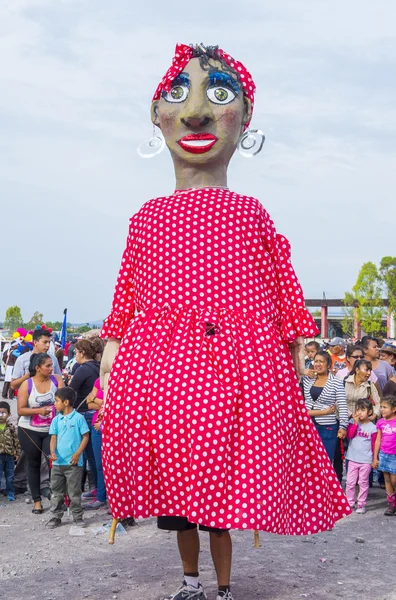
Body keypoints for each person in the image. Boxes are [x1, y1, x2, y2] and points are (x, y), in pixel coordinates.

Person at [99, 43, 351, 600]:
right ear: (156, 116)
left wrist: (291, 362)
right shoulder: (146, 219)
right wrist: (112, 361)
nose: (194, 114)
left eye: (218, 96)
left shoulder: (252, 214)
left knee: (221, 502)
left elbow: (284, 294)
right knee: (181, 501)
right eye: (177, 95)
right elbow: (126, 295)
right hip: (162, 372)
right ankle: (192, 583)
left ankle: (224, 585)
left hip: (237, 372)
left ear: (245, 120)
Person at [17, 353, 64, 514]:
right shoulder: (27, 384)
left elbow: (65, 403)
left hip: (52, 430)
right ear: (37, 368)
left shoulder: (57, 380)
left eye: (52, 365)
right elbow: (20, 409)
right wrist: (38, 410)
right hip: (29, 430)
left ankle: (57, 498)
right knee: (33, 464)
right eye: (48, 366)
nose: (51, 369)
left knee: (55, 463)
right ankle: (37, 501)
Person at [46, 387, 89, 529]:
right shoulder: (56, 420)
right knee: (56, 492)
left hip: (74, 463)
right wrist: (52, 452)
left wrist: (77, 454)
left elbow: (85, 437)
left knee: (74, 492)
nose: (54, 404)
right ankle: (56, 516)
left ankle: (77, 516)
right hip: (58, 463)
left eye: (56, 401)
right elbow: (53, 438)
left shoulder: (78, 418)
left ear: (65, 402)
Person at [302, 350, 349, 460]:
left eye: (321, 362)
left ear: (328, 365)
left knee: (325, 459)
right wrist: (303, 371)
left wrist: (343, 426)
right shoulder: (307, 379)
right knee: (307, 459)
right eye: (316, 361)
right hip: (307, 424)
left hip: (327, 426)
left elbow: (342, 405)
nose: (318, 364)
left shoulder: (336, 382)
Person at [69, 338, 102, 491]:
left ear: (82, 353)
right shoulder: (97, 366)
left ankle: (96, 490)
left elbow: (71, 390)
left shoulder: (82, 369)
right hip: (95, 411)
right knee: (94, 457)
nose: (75, 355)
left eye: (76, 352)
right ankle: (97, 489)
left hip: (85, 413)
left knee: (91, 456)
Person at [345, 399, 377, 513]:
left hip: (366, 460)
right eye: (357, 410)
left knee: (363, 482)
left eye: (362, 410)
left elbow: (374, 444)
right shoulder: (352, 423)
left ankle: (361, 504)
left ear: (369, 412)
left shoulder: (373, 427)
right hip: (352, 458)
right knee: (350, 482)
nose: (359, 412)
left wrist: (374, 459)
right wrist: (354, 423)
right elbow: (349, 435)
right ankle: (349, 502)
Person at [82, 377, 107, 509]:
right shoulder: (99, 380)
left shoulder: (120, 379)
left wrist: (96, 400)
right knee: (98, 464)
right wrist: (105, 403)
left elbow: (117, 405)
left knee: (109, 464)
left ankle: (104, 496)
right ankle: (100, 494)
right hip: (96, 425)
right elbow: (88, 403)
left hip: (107, 425)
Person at [372, 396, 396, 516]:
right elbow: (378, 440)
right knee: (387, 479)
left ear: (394, 409)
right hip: (384, 455)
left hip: (394, 456)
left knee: (394, 479)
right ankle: (391, 503)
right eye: (381, 407)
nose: (382, 409)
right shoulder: (380, 422)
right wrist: (375, 457)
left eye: (385, 407)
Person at [0, 401, 20, 501]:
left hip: (9, 455)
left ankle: (10, 492)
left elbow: (16, 440)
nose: (1, 415)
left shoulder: (11, 427)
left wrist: (17, 452)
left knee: (10, 476)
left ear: (9, 414)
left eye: (3, 413)